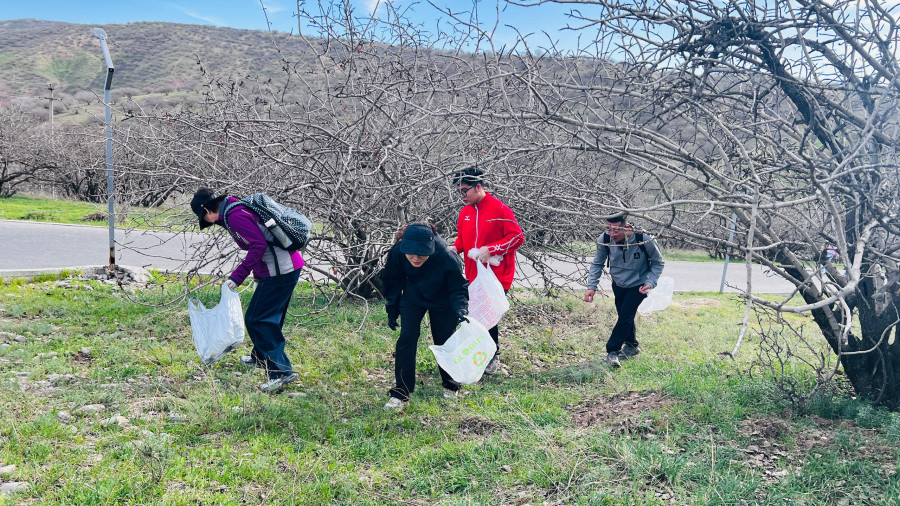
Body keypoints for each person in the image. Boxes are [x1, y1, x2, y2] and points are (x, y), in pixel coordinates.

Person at [190, 188, 304, 393]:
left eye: (204, 217)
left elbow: (258, 246)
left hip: (281, 271)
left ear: (207, 209)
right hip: (282, 268)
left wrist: (237, 277)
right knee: (270, 317)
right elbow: (263, 242)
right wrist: (258, 275)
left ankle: (280, 373)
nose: (208, 222)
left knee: (258, 319)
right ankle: (260, 357)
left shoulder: (234, 216)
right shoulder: (235, 209)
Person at [380, 222, 470, 411]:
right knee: (406, 338)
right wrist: (392, 307)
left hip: (443, 298)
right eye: (411, 253)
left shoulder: (446, 255)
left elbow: (458, 286)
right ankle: (401, 393)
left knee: (444, 341)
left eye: (421, 253)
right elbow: (392, 280)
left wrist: (460, 307)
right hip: (414, 296)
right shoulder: (398, 252)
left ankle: (451, 385)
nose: (415, 258)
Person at [449, 167, 524, 375]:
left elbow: (517, 237)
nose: (462, 196)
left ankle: (493, 356)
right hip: (473, 276)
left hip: (497, 277)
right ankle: (482, 355)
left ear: (478, 187)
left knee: (488, 317)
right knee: (476, 317)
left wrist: (491, 249)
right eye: (459, 192)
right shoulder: (464, 212)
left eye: (465, 191)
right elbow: (463, 239)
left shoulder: (499, 209)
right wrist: (455, 248)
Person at [584, 216, 665, 368]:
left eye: (616, 230)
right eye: (609, 229)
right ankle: (632, 346)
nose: (612, 234)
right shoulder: (605, 239)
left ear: (626, 228)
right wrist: (591, 287)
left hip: (639, 285)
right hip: (619, 284)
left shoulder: (644, 238)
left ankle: (612, 351)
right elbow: (597, 263)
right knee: (624, 316)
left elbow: (658, 263)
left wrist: (650, 282)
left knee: (626, 315)